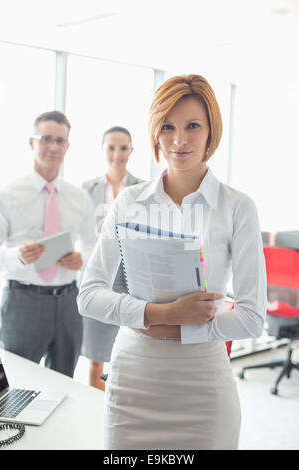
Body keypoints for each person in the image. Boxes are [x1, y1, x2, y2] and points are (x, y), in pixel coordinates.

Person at [77, 75, 267, 450]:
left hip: (202, 383)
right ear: (154, 133)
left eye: (193, 126)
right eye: (168, 126)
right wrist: (159, 314)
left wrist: (180, 327)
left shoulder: (237, 207)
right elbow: (88, 295)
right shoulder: (129, 202)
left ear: (212, 131)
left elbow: (252, 316)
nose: (179, 140)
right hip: (134, 377)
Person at [0, 110, 96, 377]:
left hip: (68, 303)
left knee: (65, 382)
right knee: (17, 383)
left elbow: (91, 244)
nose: (53, 146)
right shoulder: (8, 194)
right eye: (46, 139)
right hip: (23, 301)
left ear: (67, 146)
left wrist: (82, 259)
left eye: (60, 141)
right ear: (32, 143)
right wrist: (18, 256)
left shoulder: (79, 197)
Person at [82, 126, 143, 391]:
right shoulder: (88, 188)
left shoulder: (143, 189)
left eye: (123, 148)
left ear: (131, 151)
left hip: (131, 281)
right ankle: (97, 408)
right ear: (103, 149)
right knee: (95, 357)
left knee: (127, 354)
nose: (117, 154)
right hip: (100, 277)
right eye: (111, 147)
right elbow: (80, 232)